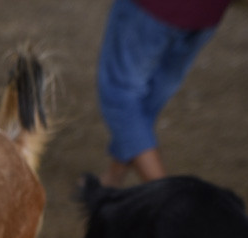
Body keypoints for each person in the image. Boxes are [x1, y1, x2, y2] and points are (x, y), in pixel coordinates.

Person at [96, 0, 232, 186]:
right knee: (148, 98)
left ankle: (165, 199)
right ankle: (113, 177)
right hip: (207, 13)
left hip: (155, 6)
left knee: (120, 92)